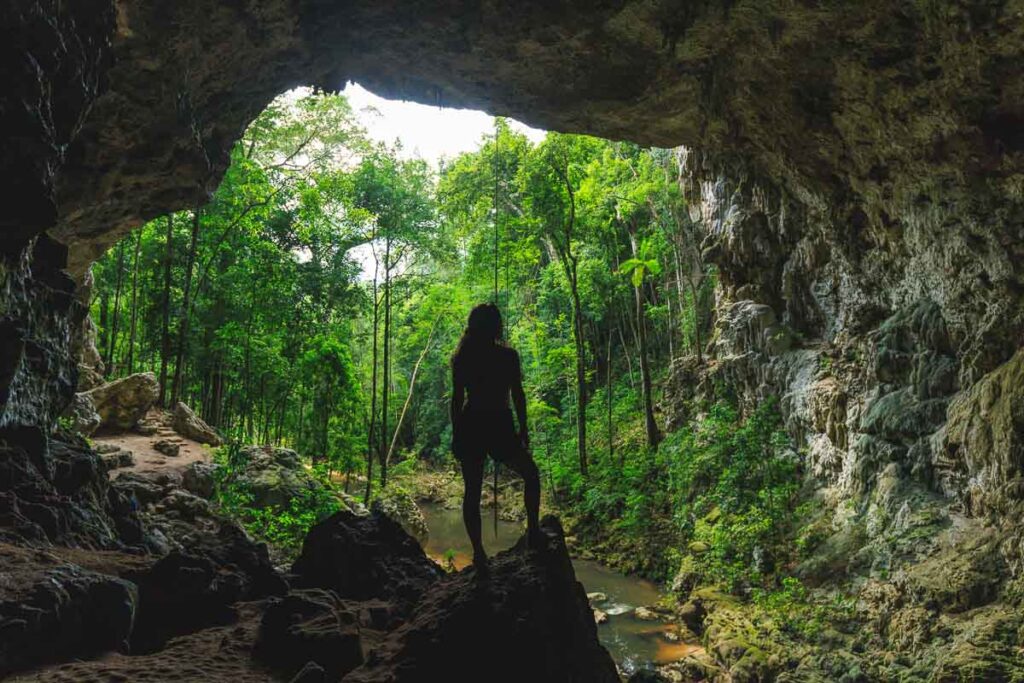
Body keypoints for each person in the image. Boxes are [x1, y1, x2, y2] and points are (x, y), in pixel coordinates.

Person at [451, 303, 541, 569]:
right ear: (495, 326)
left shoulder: (463, 357)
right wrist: (523, 428)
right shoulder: (507, 356)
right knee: (531, 474)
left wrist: (456, 433)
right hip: (499, 424)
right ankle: (533, 531)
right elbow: (518, 395)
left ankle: (479, 553)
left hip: (472, 424)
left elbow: (456, 400)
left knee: (472, 492)